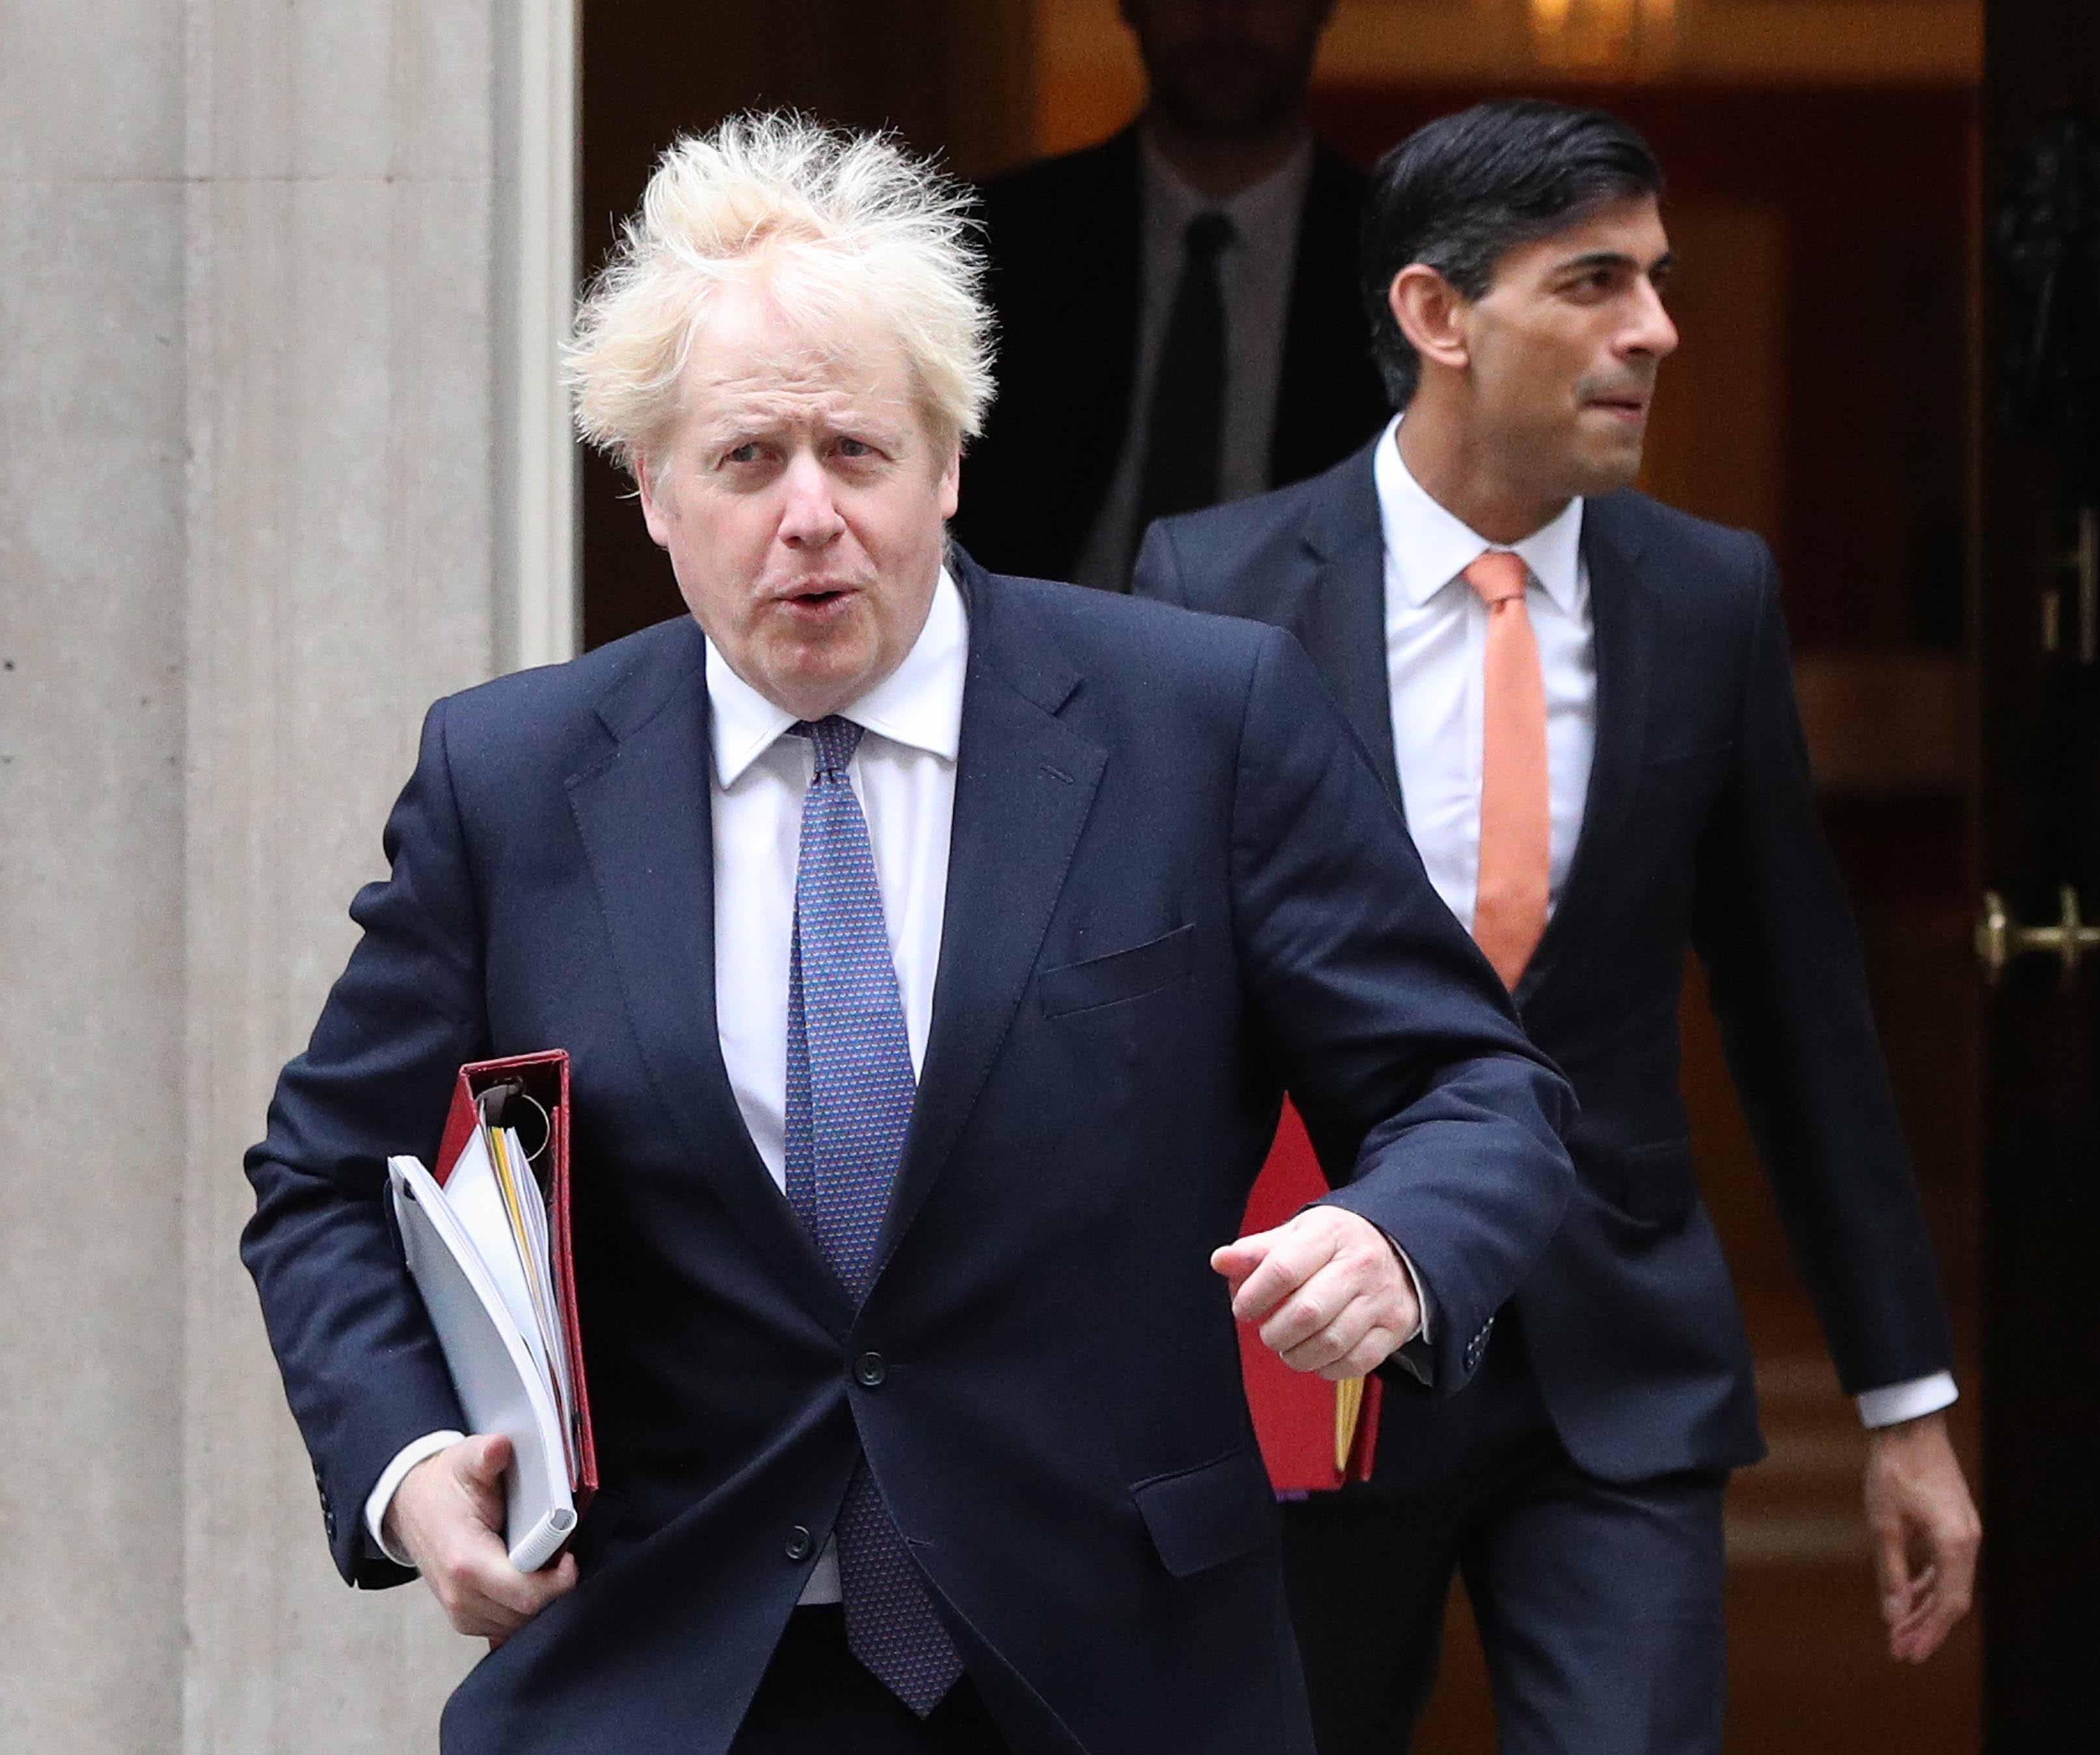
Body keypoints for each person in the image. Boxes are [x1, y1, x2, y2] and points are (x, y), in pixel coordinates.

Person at [238, 116, 1577, 1755]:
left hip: (1116, 1667)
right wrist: (406, 1463)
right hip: (674, 1667)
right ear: (650, 489)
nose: (809, 514)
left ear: (948, 461)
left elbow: (1474, 1089)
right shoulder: (511, 781)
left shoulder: (1196, 724)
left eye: (857, 454)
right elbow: (321, 1177)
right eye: (744, 460)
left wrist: (1397, 1240)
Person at [1135, 100, 1983, 1754]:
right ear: (1437, 317)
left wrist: (1905, 1407)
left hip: (1618, 1365)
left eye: (1656, 282)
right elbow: (1140, 1020)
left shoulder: (1709, 594)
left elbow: (1799, 1011)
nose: (1654, 330)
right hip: (1314, 1350)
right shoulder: (1216, 593)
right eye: (1593, 282)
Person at [950, 0, 1391, 590]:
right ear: (1130, 7)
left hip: (1316, 661)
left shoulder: (1395, 256)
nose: (1224, 21)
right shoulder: (1004, 240)